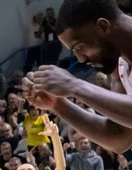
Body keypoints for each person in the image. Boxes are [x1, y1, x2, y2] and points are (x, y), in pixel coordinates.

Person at [22, 0, 132, 154]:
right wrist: (59, 105)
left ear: (103, 26)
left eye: (80, 47)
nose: (80, 59)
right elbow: (120, 138)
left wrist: (74, 85)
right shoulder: (120, 65)